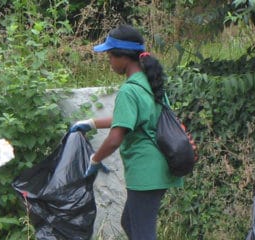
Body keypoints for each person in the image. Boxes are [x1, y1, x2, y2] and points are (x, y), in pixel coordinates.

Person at [69, 25, 183, 240]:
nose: (109, 61)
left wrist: (94, 160)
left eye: (110, 56)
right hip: (158, 167)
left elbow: (115, 138)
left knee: (142, 233)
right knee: (129, 222)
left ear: (124, 58)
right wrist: (91, 122)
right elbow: (129, 119)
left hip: (145, 171)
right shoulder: (150, 83)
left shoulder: (130, 90)